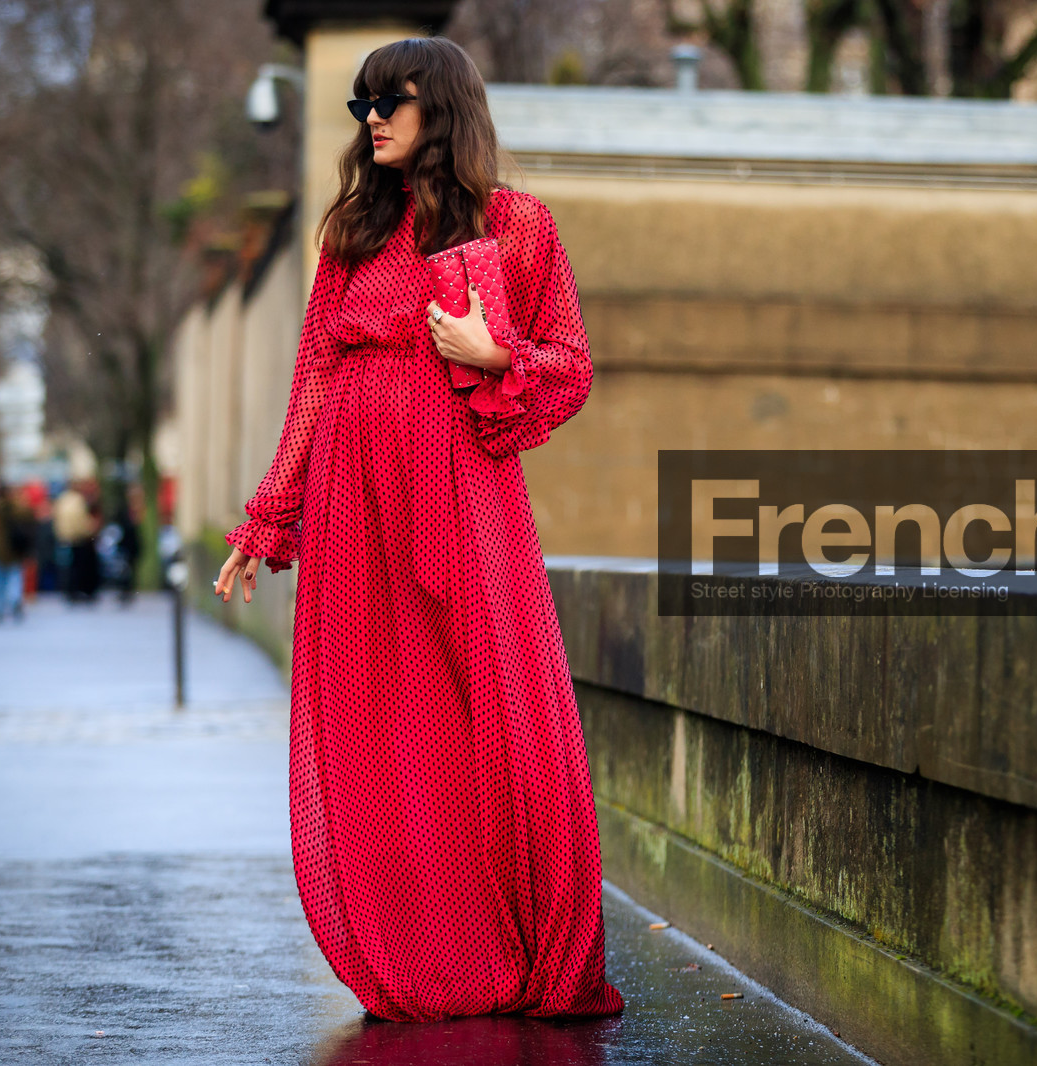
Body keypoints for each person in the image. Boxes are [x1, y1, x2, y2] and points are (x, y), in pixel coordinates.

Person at [213, 36, 624, 1024]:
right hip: (354, 499)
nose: (371, 120)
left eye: (389, 101)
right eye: (361, 104)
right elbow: (315, 378)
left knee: (494, 713)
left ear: (443, 107)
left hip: (462, 490)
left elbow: (570, 368)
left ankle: (518, 945)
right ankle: (424, 951)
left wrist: (495, 351)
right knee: (379, 722)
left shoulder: (517, 226)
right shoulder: (351, 233)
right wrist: (268, 516)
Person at [0, 481, 33, 622]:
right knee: (14, 577)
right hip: (14, 549)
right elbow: (28, 515)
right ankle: (14, 600)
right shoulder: (15, 506)